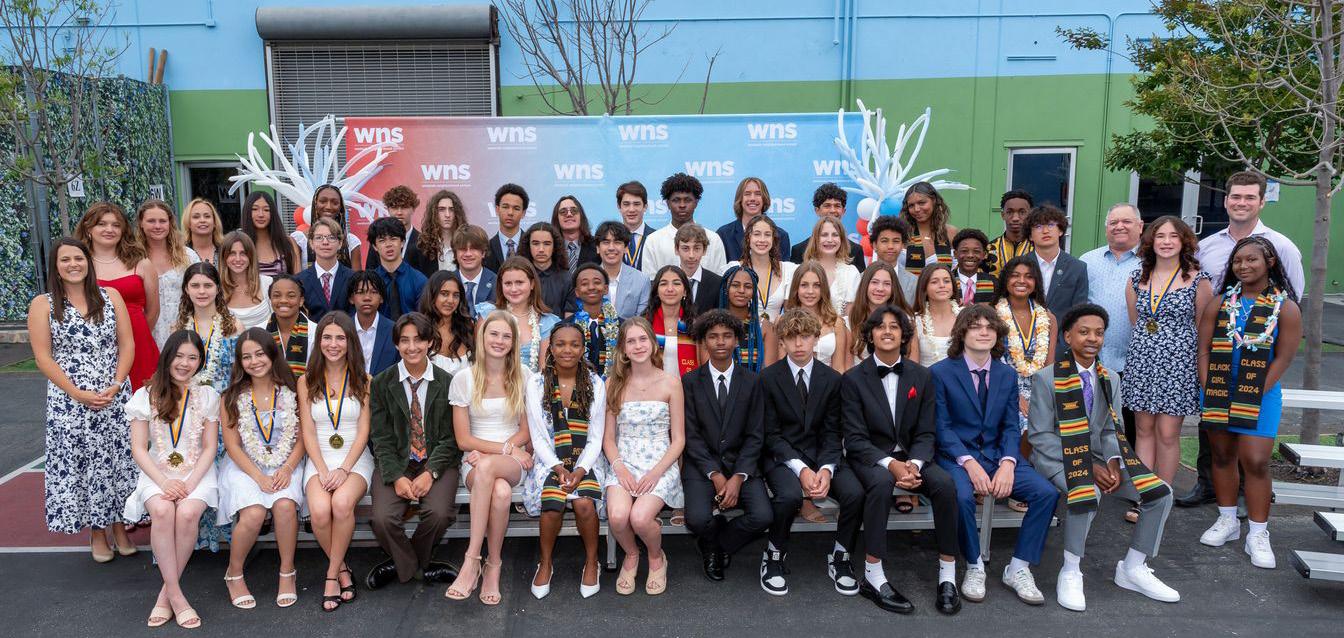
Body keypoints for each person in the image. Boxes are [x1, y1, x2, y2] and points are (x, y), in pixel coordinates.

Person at [1027, 304, 1179, 611]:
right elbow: (1040, 437)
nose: (1092, 339)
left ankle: (1133, 567)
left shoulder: (1110, 378)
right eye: (1084, 332)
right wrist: (1087, 466)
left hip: (1100, 459)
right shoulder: (1046, 379)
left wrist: (1113, 463)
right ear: (1067, 336)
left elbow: (1112, 428)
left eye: (1099, 333)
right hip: (1056, 459)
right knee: (1087, 491)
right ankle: (1071, 570)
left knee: (1160, 492)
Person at [1181, 171, 1306, 508]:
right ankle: (1210, 490)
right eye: (1236, 196)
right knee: (1217, 445)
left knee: (1253, 454)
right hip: (1219, 361)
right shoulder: (1207, 246)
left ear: (1262, 201)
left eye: (1250, 197)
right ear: (1226, 201)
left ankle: (1250, 506)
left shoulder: (1282, 246)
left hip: (1259, 359)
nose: (1242, 203)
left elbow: (1292, 297)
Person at [931, 306, 1058, 605]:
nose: (984, 332)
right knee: (961, 496)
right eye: (976, 326)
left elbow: (1011, 426)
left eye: (990, 327)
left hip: (997, 455)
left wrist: (1008, 463)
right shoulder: (940, 372)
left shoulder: (1006, 374)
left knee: (1046, 493)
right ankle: (974, 565)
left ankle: (1019, 567)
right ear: (962, 332)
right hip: (956, 457)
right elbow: (941, 427)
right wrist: (969, 463)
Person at [842, 304, 962, 615]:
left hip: (913, 457)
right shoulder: (853, 379)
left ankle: (947, 574)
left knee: (945, 485)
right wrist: (892, 465)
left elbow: (926, 431)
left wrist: (915, 464)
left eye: (894, 326)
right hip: (871, 457)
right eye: (880, 326)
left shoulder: (922, 376)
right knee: (881, 484)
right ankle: (873, 574)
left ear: (904, 336)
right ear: (870, 335)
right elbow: (855, 439)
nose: (887, 331)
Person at [29, 237, 137, 561]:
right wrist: (77, 393)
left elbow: (127, 344)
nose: (73, 264)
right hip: (70, 401)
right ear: (55, 266)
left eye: (78, 258)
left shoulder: (111, 296)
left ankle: (120, 525)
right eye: (65, 260)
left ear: (88, 262)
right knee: (85, 464)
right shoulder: (43, 304)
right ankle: (97, 532)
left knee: (118, 461)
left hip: (114, 395)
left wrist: (116, 384)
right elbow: (43, 357)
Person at [1196, 237, 1301, 569]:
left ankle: (1258, 532)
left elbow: (1284, 358)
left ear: (1270, 262)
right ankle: (1228, 520)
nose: (1243, 266)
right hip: (1218, 390)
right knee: (1222, 456)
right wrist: (1208, 386)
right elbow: (1203, 350)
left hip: (1261, 393)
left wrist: (1254, 393)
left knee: (1255, 461)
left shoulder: (1285, 307)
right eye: (1238, 261)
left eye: (1251, 259)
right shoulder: (1220, 303)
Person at [759, 308, 865, 597]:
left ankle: (841, 555)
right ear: (782, 341)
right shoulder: (768, 379)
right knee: (789, 496)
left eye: (805, 336)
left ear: (816, 339)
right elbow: (771, 435)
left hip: (823, 455)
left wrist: (827, 469)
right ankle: (774, 554)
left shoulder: (832, 379)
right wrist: (801, 469)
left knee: (854, 493)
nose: (799, 344)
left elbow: (833, 431)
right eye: (792, 338)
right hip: (782, 457)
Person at [123, 331, 219, 629]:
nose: (185, 363)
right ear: (167, 356)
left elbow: (210, 447)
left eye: (193, 358)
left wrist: (189, 484)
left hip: (196, 472)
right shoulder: (145, 396)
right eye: (179, 356)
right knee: (163, 511)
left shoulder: (208, 396)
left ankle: (165, 595)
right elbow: (139, 448)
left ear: (200, 362)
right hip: (157, 472)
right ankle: (177, 597)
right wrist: (164, 483)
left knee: (188, 512)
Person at [365, 313, 464, 590]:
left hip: (437, 461)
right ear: (396, 344)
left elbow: (451, 438)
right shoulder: (382, 382)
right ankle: (419, 567)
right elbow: (380, 437)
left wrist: (431, 472)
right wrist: (396, 476)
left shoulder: (447, 382)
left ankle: (400, 564)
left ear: (430, 342)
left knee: (439, 514)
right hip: (397, 461)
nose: (412, 347)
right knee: (382, 519)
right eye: (405, 341)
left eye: (418, 340)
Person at [444, 310, 534, 606]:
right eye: (493, 334)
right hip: (475, 459)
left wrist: (503, 450)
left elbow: (526, 432)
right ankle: (493, 564)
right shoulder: (464, 379)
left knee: (488, 468)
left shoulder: (524, 376)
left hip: (511, 458)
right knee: (501, 492)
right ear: (482, 338)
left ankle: (471, 560)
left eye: (506, 336)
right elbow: (463, 440)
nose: (499, 340)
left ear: (514, 342)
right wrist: (501, 450)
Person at [681, 310, 772, 583]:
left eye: (727, 336)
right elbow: (691, 435)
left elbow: (756, 435)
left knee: (763, 516)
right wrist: (716, 474)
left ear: (736, 340)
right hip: (702, 466)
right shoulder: (690, 382)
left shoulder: (753, 381)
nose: (720, 342)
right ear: (703, 342)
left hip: (741, 464)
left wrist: (738, 477)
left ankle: (716, 546)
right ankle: (711, 538)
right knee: (697, 519)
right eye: (713, 336)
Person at [218, 328, 305, 610]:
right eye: (247, 357)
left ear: (272, 354)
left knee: (284, 505)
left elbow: (303, 437)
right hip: (245, 465)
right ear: (239, 362)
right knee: (254, 512)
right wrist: (258, 477)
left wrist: (288, 468)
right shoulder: (231, 397)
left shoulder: (293, 390)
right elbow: (232, 445)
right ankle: (234, 573)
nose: (254, 361)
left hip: (287, 461)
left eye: (259, 354)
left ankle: (287, 572)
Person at [1124, 216, 1211, 490]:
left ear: (1184, 241)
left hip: (1178, 366)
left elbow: (1203, 327)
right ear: (1151, 241)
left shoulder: (1198, 280)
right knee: (1143, 431)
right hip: (1142, 362)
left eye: (1173, 236)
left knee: (1167, 433)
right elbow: (1136, 320)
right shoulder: (1137, 277)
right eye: (1160, 236)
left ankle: (1164, 494)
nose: (1166, 242)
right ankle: (1145, 496)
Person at [524, 322, 607, 599]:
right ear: (550, 348)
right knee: (552, 504)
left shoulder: (595, 383)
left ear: (583, 349)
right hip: (549, 459)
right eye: (560, 344)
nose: (567, 350)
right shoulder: (536, 383)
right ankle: (545, 562)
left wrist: (580, 470)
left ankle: (592, 561)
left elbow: (596, 436)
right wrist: (558, 468)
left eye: (574, 344)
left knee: (584, 503)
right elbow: (538, 436)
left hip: (587, 459)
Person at [603, 318, 685, 595]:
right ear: (623, 349)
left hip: (660, 462)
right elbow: (608, 438)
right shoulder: (613, 384)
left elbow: (679, 439)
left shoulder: (671, 383)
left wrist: (656, 472)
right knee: (617, 516)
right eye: (631, 341)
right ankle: (631, 553)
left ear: (653, 343)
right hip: (623, 460)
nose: (638, 346)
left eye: (642, 339)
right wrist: (619, 468)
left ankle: (655, 556)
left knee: (639, 518)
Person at [299, 312, 374, 612]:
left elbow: (364, 430)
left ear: (350, 342)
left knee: (341, 504)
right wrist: (322, 469)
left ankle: (331, 576)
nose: (333, 344)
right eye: (327, 337)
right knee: (319, 512)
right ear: (318, 342)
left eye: (340, 338)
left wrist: (344, 469)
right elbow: (307, 431)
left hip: (354, 458)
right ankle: (343, 568)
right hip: (319, 458)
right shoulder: (306, 381)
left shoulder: (363, 379)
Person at [1079, 203, 1143, 449]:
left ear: (1140, 226)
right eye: (1114, 222)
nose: (1119, 227)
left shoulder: (1150, 262)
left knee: (1131, 428)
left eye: (1126, 221)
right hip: (1093, 359)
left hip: (1134, 362)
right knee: (1091, 425)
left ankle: (1129, 470)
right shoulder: (1088, 261)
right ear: (1106, 228)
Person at [77, 201, 159, 390]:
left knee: (144, 399)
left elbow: (153, 311)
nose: (109, 229)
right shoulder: (79, 265)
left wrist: (133, 337)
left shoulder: (142, 263)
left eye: (116, 225)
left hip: (139, 343)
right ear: (88, 228)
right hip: (95, 345)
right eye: (102, 224)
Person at [993, 256, 1057, 439]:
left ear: (1036, 283)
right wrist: (1017, 396)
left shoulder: (1048, 318)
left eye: (1029, 276)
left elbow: (1049, 366)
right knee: (1021, 422)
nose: (1022, 281)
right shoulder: (993, 315)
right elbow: (992, 363)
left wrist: (1043, 399)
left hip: (1039, 388)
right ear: (1005, 280)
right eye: (1015, 275)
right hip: (1002, 386)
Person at [475, 257, 560, 374]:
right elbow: (480, 359)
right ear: (500, 285)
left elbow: (543, 371)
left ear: (532, 284)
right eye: (508, 283)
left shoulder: (547, 322)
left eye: (519, 283)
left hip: (531, 384)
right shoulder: (488, 315)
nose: (514, 289)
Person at [137, 199, 201, 347]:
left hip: (185, 329)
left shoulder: (188, 256)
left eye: (162, 221)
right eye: (151, 221)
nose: (157, 226)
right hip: (147, 331)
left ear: (170, 223)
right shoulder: (133, 258)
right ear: (141, 223)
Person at [641, 172, 728, 277]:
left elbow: (720, 279)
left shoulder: (713, 239)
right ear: (668, 203)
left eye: (687, 200)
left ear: (696, 203)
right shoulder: (653, 241)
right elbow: (650, 282)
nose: (682, 205)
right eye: (676, 200)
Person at [172, 262, 240, 394]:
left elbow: (241, 371)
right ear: (186, 289)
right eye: (195, 286)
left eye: (208, 285)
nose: (201, 291)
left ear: (218, 288)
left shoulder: (233, 326)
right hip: (191, 399)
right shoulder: (178, 329)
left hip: (226, 398)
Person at [726, 215, 797, 322]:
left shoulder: (788, 270)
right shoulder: (733, 269)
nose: (762, 240)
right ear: (748, 238)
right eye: (757, 234)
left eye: (767, 235)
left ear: (773, 239)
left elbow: (790, 311)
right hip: (743, 330)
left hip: (777, 331)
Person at [781, 261, 849, 371]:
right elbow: (781, 368)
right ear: (796, 288)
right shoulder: (783, 321)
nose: (810, 291)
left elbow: (839, 368)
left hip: (828, 380)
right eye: (804, 285)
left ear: (824, 289)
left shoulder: (836, 323)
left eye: (817, 285)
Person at [1025, 205, 1088, 322]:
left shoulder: (1078, 268)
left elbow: (1079, 312)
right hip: (1023, 332)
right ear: (1030, 236)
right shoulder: (1019, 265)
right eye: (1038, 226)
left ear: (1060, 231)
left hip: (1063, 332)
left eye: (1050, 225)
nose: (1045, 231)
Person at [844, 263, 907, 368]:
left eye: (887, 284)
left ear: (893, 288)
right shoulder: (849, 323)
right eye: (874, 282)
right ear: (865, 285)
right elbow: (847, 368)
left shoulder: (905, 321)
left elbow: (912, 367)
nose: (880, 288)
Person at [796, 215, 862, 315]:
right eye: (824, 235)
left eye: (835, 235)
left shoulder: (851, 273)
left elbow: (851, 316)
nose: (830, 240)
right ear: (815, 239)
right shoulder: (802, 271)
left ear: (842, 239)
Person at [366, 217, 429, 321]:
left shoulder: (419, 280)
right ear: (375, 246)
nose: (388, 245)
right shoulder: (369, 282)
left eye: (393, 239)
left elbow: (424, 319)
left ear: (402, 242)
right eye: (382, 240)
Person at [718, 177, 792, 264]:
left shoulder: (780, 236)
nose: (752, 198)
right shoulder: (724, 234)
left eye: (758, 194)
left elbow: (782, 270)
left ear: (764, 199)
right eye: (747, 194)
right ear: (740, 199)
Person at [790, 183, 866, 267]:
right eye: (827, 206)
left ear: (843, 211)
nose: (832, 210)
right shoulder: (799, 250)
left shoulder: (855, 251)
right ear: (817, 210)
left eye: (837, 206)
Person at [720, 264, 778, 372]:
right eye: (735, 285)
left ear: (754, 291)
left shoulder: (765, 327)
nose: (741, 290)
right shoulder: (713, 326)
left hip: (757, 383)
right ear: (725, 289)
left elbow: (769, 374)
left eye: (748, 286)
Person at [296, 217, 354, 321]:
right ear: (311, 243)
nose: (325, 242)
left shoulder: (353, 278)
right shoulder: (299, 280)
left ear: (340, 243)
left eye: (331, 237)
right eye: (319, 238)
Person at [292, 184, 363, 270]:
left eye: (335, 203)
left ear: (340, 207)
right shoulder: (300, 240)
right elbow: (295, 276)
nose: (328, 207)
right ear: (315, 204)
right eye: (323, 201)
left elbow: (357, 277)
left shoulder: (351, 241)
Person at [568, 263, 621, 377]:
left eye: (597, 282)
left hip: (614, 384)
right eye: (584, 284)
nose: (591, 287)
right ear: (577, 292)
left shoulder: (622, 326)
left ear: (606, 289)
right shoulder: (566, 327)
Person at [646, 265, 700, 375]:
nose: (670, 289)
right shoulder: (645, 324)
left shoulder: (696, 324)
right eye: (663, 284)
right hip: (653, 384)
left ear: (685, 291)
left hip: (688, 384)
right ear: (656, 291)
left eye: (676, 283)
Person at [371, 185, 436, 276]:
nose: (399, 212)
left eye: (404, 207)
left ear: (413, 209)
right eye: (394, 207)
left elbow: (430, 279)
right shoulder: (378, 242)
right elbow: (370, 275)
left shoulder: (425, 242)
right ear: (388, 209)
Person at [419, 271, 474, 375]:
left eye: (456, 295)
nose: (450, 300)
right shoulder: (420, 329)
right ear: (432, 295)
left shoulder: (469, 328)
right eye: (444, 294)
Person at [347, 271, 400, 376]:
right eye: (360, 292)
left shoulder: (394, 330)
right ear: (351, 298)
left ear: (381, 298)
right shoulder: (342, 329)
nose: (367, 298)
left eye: (373, 292)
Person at [593, 221, 649, 319]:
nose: (611, 248)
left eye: (617, 242)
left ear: (626, 248)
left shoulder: (641, 280)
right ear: (598, 248)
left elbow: (641, 321)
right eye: (606, 242)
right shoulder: (587, 279)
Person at [900, 182, 959, 276]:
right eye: (911, 205)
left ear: (934, 200)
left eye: (921, 203)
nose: (916, 209)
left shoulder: (951, 233)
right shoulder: (902, 233)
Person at [910, 264, 963, 366]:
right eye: (934, 282)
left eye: (946, 281)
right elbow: (913, 364)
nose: (942, 285)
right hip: (927, 375)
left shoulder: (966, 316)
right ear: (924, 288)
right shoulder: (915, 321)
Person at [220, 231, 274, 330]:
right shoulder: (216, 288)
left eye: (243, 253)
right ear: (223, 257)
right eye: (232, 253)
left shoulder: (267, 283)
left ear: (251, 256)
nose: (238, 259)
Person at [240, 192, 300, 276]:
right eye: (255, 209)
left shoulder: (288, 243)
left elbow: (298, 279)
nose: (261, 214)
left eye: (266, 210)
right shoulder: (240, 244)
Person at [267, 274, 316, 378]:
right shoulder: (259, 331)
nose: (283, 300)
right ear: (270, 299)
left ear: (301, 301)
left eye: (291, 296)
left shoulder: (317, 332)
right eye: (277, 295)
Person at [520, 221, 573, 314]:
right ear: (528, 246)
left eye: (547, 244)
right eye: (536, 243)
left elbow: (570, 314)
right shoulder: (518, 276)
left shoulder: (566, 278)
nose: (541, 249)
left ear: (555, 247)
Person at [867, 215, 919, 303]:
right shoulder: (860, 278)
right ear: (874, 245)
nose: (890, 246)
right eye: (884, 241)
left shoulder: (914, 282)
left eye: (896, 241)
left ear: (902, 245)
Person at [676, 223, 722, 316]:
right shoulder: (666, 281)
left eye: (697, 248)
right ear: (676, 250)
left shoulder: (717, 283)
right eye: (685, 248)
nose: (691, 255)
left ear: (704, 250)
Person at [418, 189, 468, 274]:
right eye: (441, 209)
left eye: (451, 209)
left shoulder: (467, 243)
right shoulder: (423, 247)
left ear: (457, 213)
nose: (447, 215)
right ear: (434, 213)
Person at [484, 183, 529, 273]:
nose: (510, 212)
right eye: (505, 207)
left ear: (523, 213)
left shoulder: (532, 245)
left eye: (516, 208)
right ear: (497, 210)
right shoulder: (486, 248)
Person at [454, 224, 497, 319]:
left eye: (473, 249)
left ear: (483, 252)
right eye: (463, 249)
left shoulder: (497, 283)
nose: (468, 254)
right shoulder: (446, 282)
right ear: (455, 253)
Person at [988, 190, 1035, 277]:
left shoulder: (1038, 248)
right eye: (1009, 212)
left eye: (1022, 212)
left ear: (1030, 215)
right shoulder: (988, 249)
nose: (1015, 218)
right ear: (1003, 215)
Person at [553, 195, 599, 275]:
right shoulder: (551, 248)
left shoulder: (597, 245)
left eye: (574, 211)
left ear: (581, 216)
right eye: (563, 212)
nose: (569, 214)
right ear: (557, 218)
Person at [952, 229, 996, 305]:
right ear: (955, 254)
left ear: (984, 255)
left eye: (976, 251)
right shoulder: (947, 282)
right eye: (964, 251)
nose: (970, 255)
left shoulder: (994, 283)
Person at [184, 197, 224, 267]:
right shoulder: (181, 253)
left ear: (214, 222)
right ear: (188, 223)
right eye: (196, 217)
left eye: (207, 216)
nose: (202, 220)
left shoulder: (226, 250)